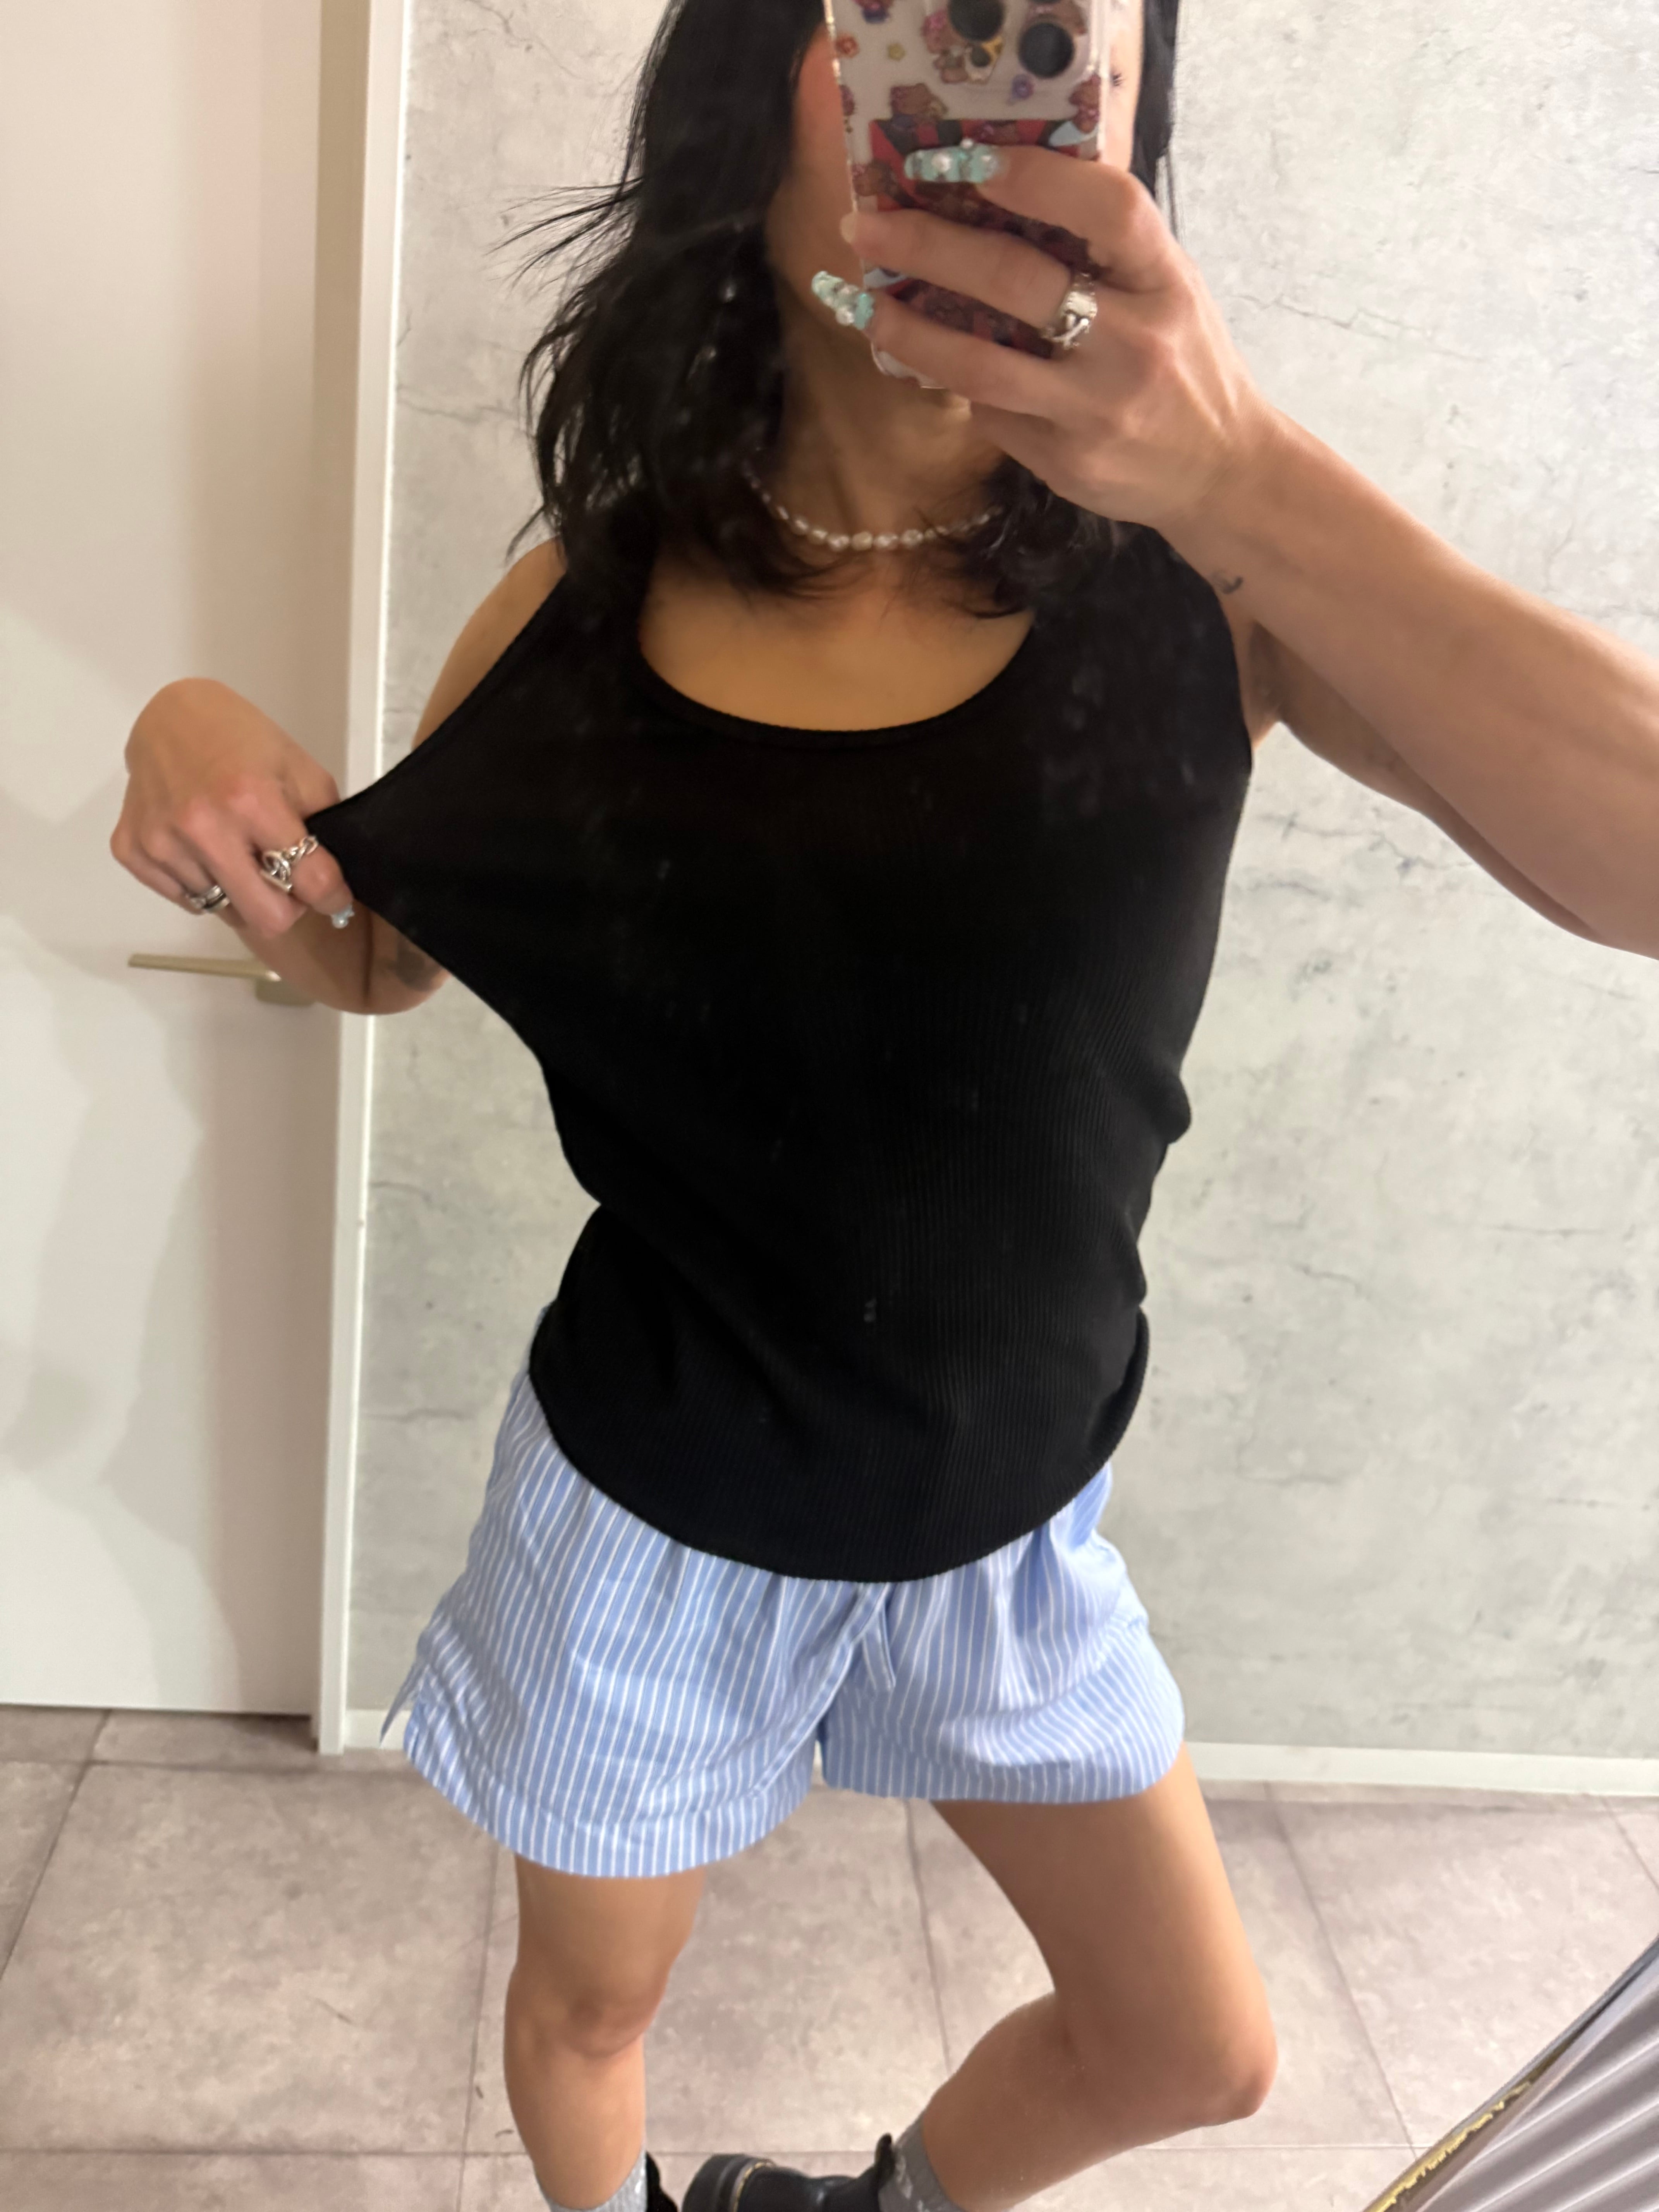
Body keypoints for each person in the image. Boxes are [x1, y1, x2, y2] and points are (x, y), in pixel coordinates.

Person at [112, 2, 1659, 2211]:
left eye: (1056, 35)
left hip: (1009, 1525)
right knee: (595, 2014)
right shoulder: (587, 602)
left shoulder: (1213, 584)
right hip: (651, 1515)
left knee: (1196, 2046)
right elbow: (377, 955)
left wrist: (1237, 476)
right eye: (912, 16)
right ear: (761, 77)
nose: (984, 82)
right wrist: (195, 744)